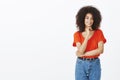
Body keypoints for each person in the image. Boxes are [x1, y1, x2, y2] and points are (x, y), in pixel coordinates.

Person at [72, 6, 106, 80]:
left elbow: (100, 50)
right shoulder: (77, 34)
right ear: (82, 19)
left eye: (92, 18)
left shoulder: (99, 33)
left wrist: (83, 54)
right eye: (87, 18)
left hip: (95, 64)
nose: (89, 21)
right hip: (80, 65)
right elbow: (80, 50)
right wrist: (87, 36)